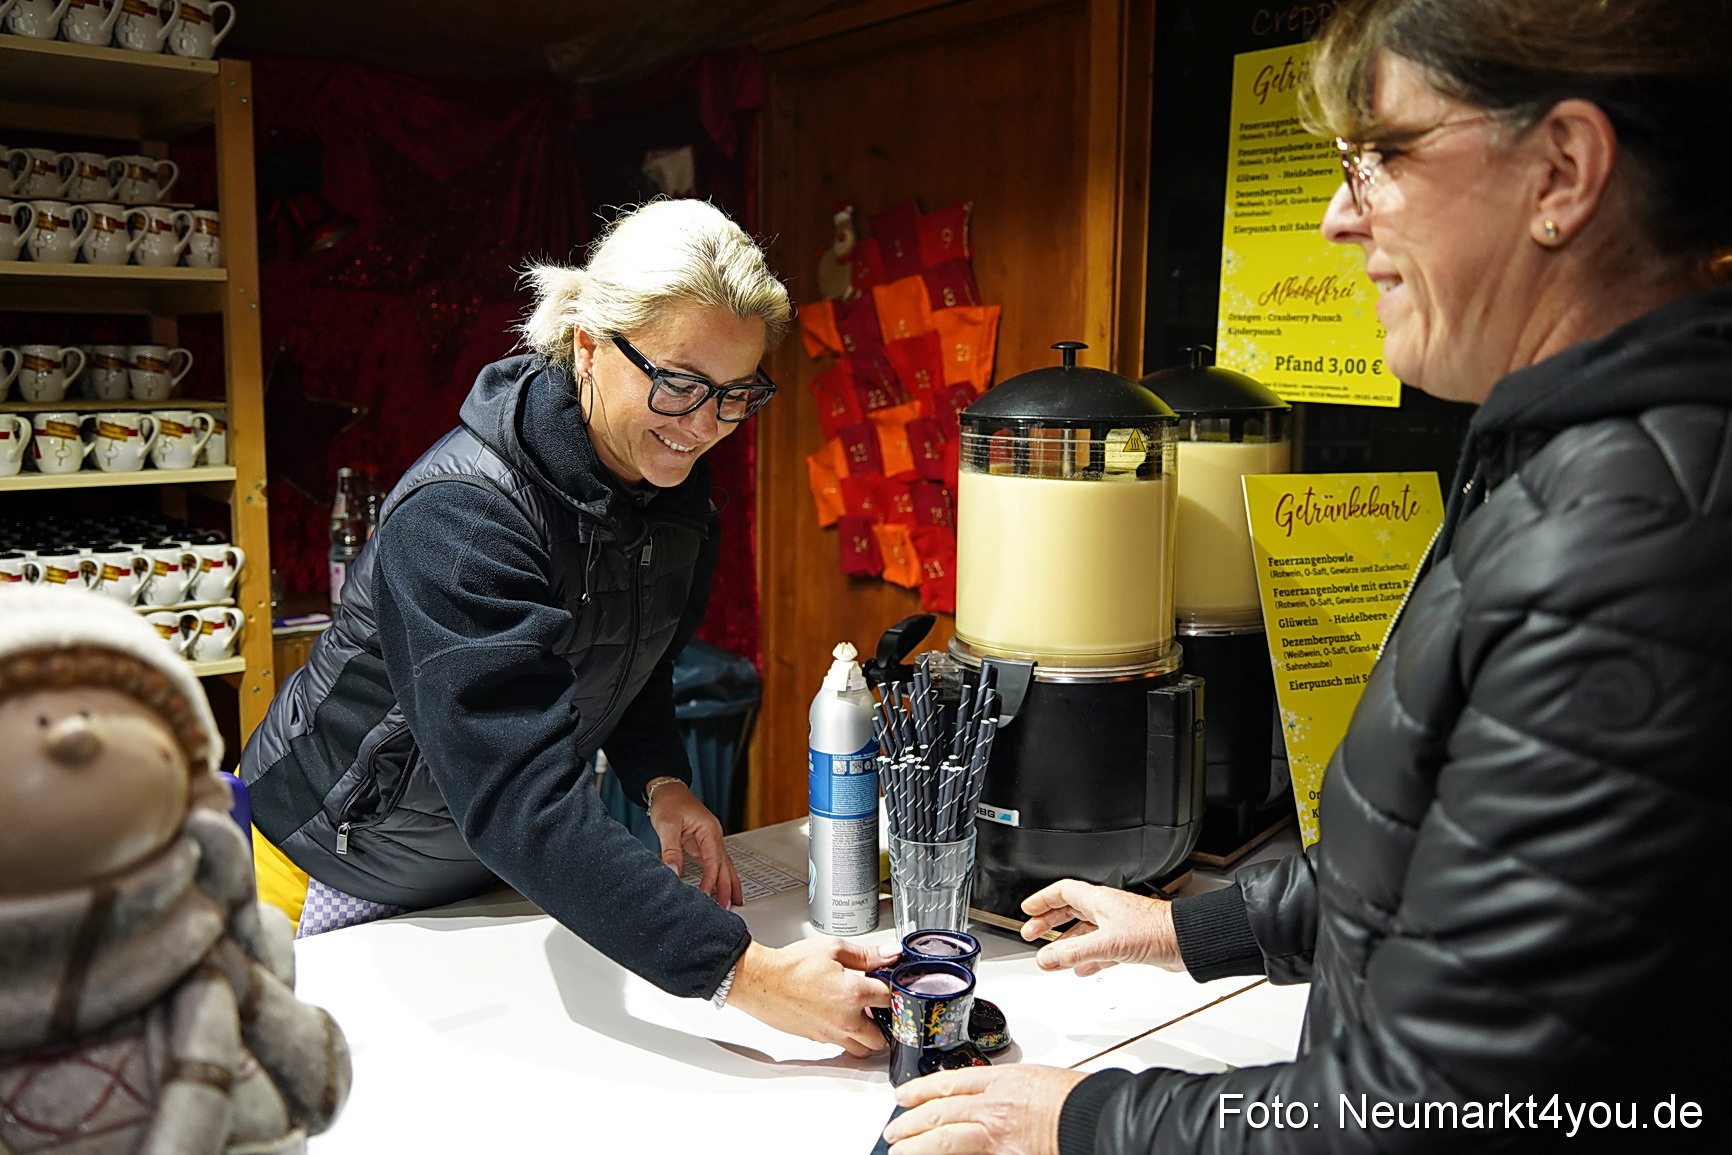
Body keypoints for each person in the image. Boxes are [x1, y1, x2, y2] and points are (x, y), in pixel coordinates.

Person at [884, 0, 1732, 1150]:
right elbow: (1452, 868)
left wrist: (1087, 1118)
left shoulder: (1626, 538)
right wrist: (1190, 931)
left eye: (1381, 157)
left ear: (1561, 171)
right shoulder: (1568, 462)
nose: (1339, 216)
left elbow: (1448, 1110)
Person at [242, 200, 893, 1056]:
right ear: (588, 344)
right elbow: (519, 797)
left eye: (736, 395)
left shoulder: (674, 493)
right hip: (329, 862)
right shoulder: (464, 515)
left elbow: (637, 657)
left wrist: (661, 778)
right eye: (678, 381)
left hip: (483, 864)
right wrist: (754, 977)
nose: (703, 426)